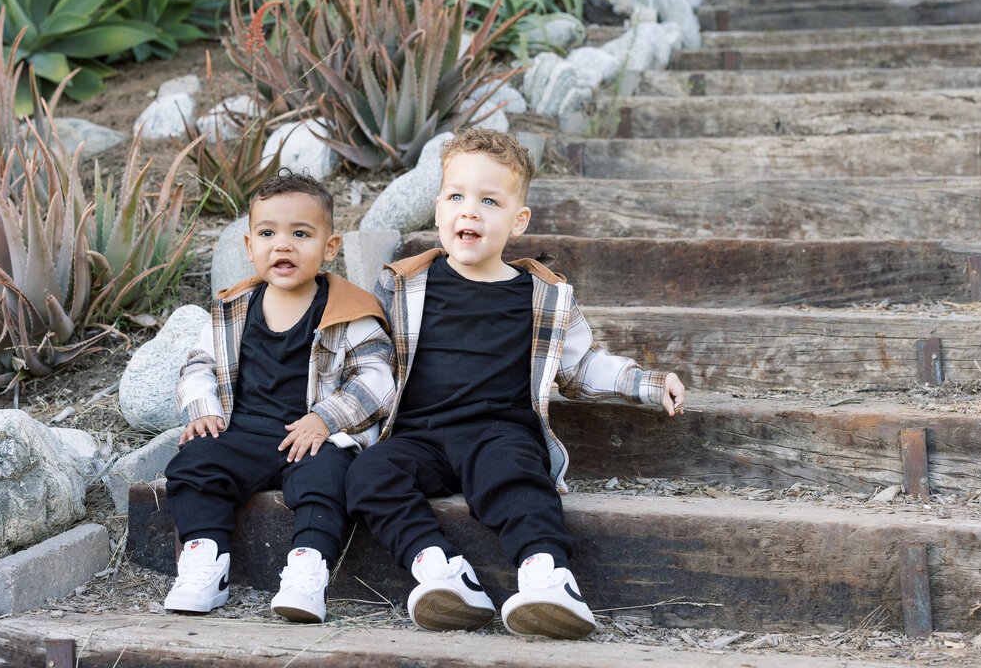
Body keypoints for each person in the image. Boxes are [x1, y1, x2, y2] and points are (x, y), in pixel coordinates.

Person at [346, 128, 687, 640]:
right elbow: (365, 361)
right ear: (438, 208)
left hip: (498, 433)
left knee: (518, 481)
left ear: (517, 220)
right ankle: (439, 571)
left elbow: (580, 366)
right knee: (370, 473)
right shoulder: (402, 284)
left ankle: (547, 577)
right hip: (419, 437)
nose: (470, 212)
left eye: (489, 201)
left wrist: (646, 383)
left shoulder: (541, 295)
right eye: (457, 197)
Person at [162, 169, 393, 624]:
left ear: (330, 248)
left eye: (300, 234)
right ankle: (205, 559)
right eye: (267, 233)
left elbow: (377, 377)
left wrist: (326, 418)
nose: (282, 245)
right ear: (249, 247)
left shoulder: (350, 312)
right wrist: (204, 410)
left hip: (310, 437)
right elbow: (198, 365)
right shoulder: (234, 309)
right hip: (244, 434)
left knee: (327, 478)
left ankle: (308, 567)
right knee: (194, 463)